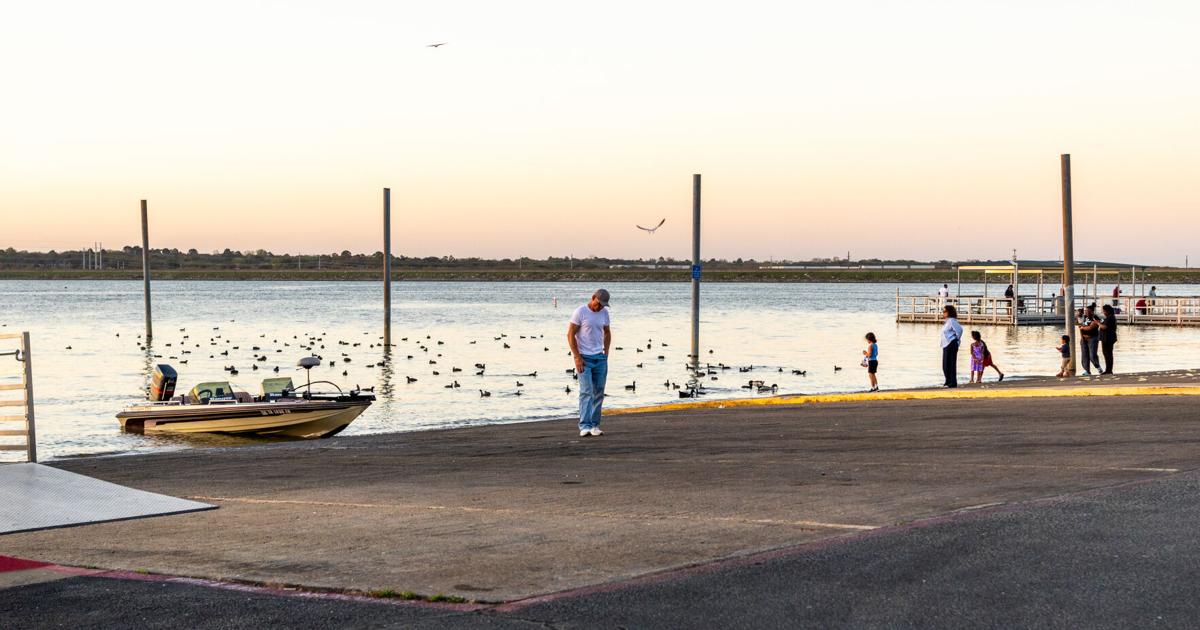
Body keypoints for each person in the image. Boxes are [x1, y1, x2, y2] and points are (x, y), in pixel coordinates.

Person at [568, 289, 612, 437]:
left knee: (599, 392)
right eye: (599, 304)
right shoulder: (580, 312)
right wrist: (577, 357)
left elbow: (607, 332)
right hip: (584, 358)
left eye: (603, 306)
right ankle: (584, 425)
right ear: (593, 298)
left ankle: (594, 425)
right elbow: (570, 335)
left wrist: (606, 352)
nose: (600, 308)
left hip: (600, 358)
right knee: (586, 392)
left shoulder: (604, 313)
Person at [940, 305, 963, 387]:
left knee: (951, 364)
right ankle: (947, 380)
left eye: (945, 311)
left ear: (949, 312)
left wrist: (956, 339)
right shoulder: (947, 322)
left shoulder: (952, 321)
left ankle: (952, 382)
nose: (943, 313)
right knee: (945, 364)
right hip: (945, 344)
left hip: (951, 344)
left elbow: (959, 330)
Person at [1077, 305, 1101, 376]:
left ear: (1092, 311)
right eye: (1085, 311)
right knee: (1084, 355)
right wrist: (1082, 337)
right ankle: (1087, 371)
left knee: (1092, 355)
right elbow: (1080, 326)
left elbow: (1091, 327)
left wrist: (1083, 328)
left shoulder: (1095, 318)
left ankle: (1098, 367)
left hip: (1093, 338)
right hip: (1084, 338)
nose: (1086, 312)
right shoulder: (1084, 317)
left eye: (1088, 311)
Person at [1099, 303, 1118, 375]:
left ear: (1107, 311)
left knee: (1107, 354)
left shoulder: (1110, 318)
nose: (1103, 312)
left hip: (1108, 338)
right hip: (1107, 338)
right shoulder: (1110, 317)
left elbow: (1104, 327)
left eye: (1104, 311)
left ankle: (1109, 370)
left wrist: (1098, 323)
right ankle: (1108, 369)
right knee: (1108, 354)